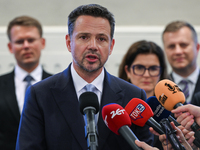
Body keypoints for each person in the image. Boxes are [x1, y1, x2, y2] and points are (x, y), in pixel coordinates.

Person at [15, 4, 154, 150]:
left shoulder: (134, 96)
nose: (93, 46)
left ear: (111, 46)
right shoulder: (39, 95)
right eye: (84, 37)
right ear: (69, 43)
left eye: (101, 39)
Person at [0, 16, 52, 150]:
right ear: (10, 47)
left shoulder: (60, 86)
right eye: (19, 41)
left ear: (42, 43)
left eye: (31, 40)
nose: (26, 46)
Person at [118, 40, 167, 149]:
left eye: (153, 69)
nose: (146, 75)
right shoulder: (116, 110)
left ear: (161, 72)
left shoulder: (172, 110)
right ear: (128, 71)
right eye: (139, 68)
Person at [162, 21, 200, 104]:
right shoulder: (159, 90)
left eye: (183, 45)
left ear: (197, 48)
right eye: (171, 46)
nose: (178, 51)